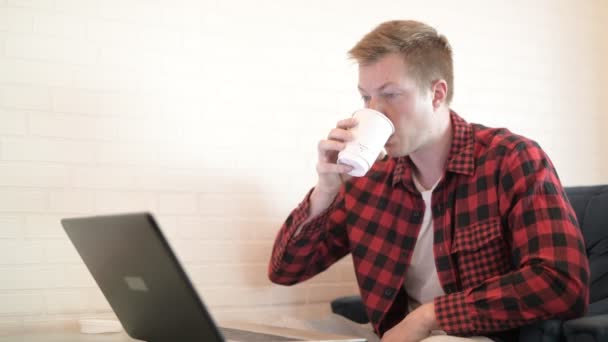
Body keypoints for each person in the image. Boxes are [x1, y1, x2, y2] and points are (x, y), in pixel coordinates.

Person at [268, 20, 589, 342]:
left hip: (476, 336)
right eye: (366, 98)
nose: (375, 111)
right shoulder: (369, 181)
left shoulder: (510, 159)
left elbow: (561, 282)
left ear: (436, 94)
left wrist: (428, 317)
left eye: (391, 95)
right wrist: (325, 191)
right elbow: (286, 272)